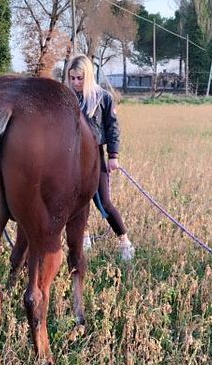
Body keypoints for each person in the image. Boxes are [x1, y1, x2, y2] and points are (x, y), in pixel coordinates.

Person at [67, 55, 135, 261]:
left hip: (95, 156)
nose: (76, 83)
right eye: (72, 78)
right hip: (70, 157)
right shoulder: (66, 98)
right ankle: (84, 236)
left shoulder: (103, 97)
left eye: (79, 78)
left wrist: (113, 155)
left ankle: (124, 241)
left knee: (104, 202)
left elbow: (113, 128)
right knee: (75, 202)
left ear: (87, 76)